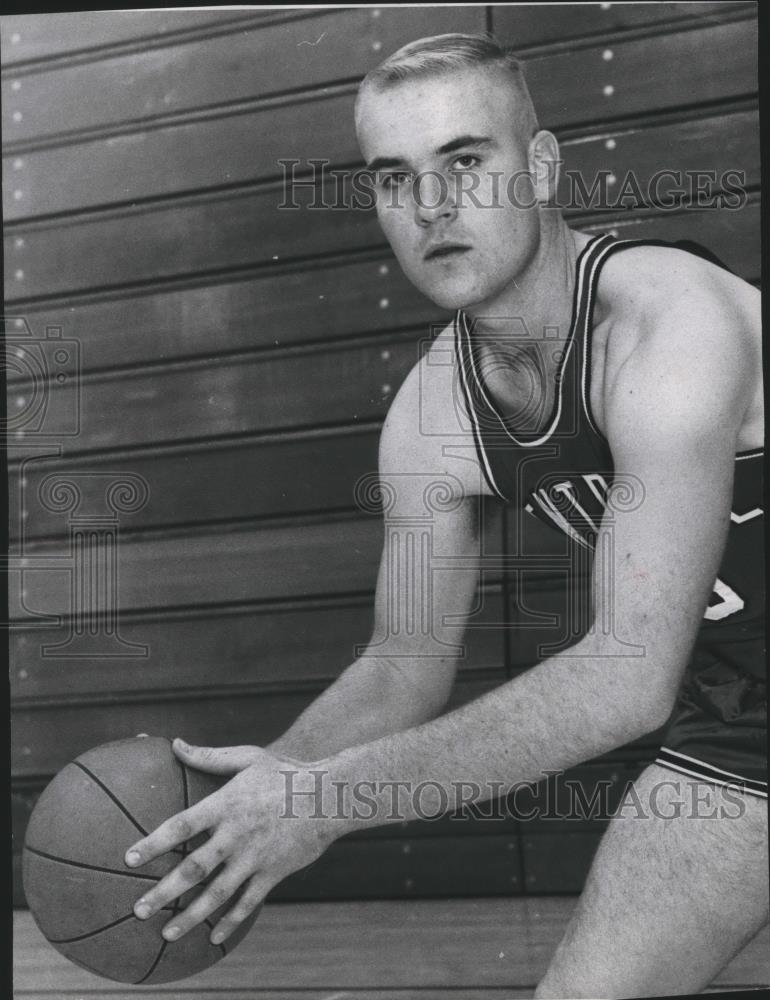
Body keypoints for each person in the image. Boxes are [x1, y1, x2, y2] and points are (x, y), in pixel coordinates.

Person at [123, 34, 767, 997]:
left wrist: (326, 801)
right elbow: (401, 665)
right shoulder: (431, 418)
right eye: (395, 179)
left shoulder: (666, 332)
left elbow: (626, 682)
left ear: (542, 167)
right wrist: (276, 784)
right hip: (744, 730)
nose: (431, 207)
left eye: (467, 162)